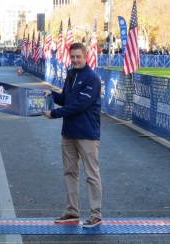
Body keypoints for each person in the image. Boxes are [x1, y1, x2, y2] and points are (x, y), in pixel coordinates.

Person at [43, 42, 103, 228]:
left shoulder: (92, 78)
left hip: (86, 133)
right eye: (73, 56)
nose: (75, 60)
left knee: (91, 174)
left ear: (85, 57)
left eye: (79, 56)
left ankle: (96, 214)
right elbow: (66, 99)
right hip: (68, 133)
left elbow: (80, 105)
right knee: (70, 173)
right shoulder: (70, 75)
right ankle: (72, 211)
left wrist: (54, 113)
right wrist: (51, 94)